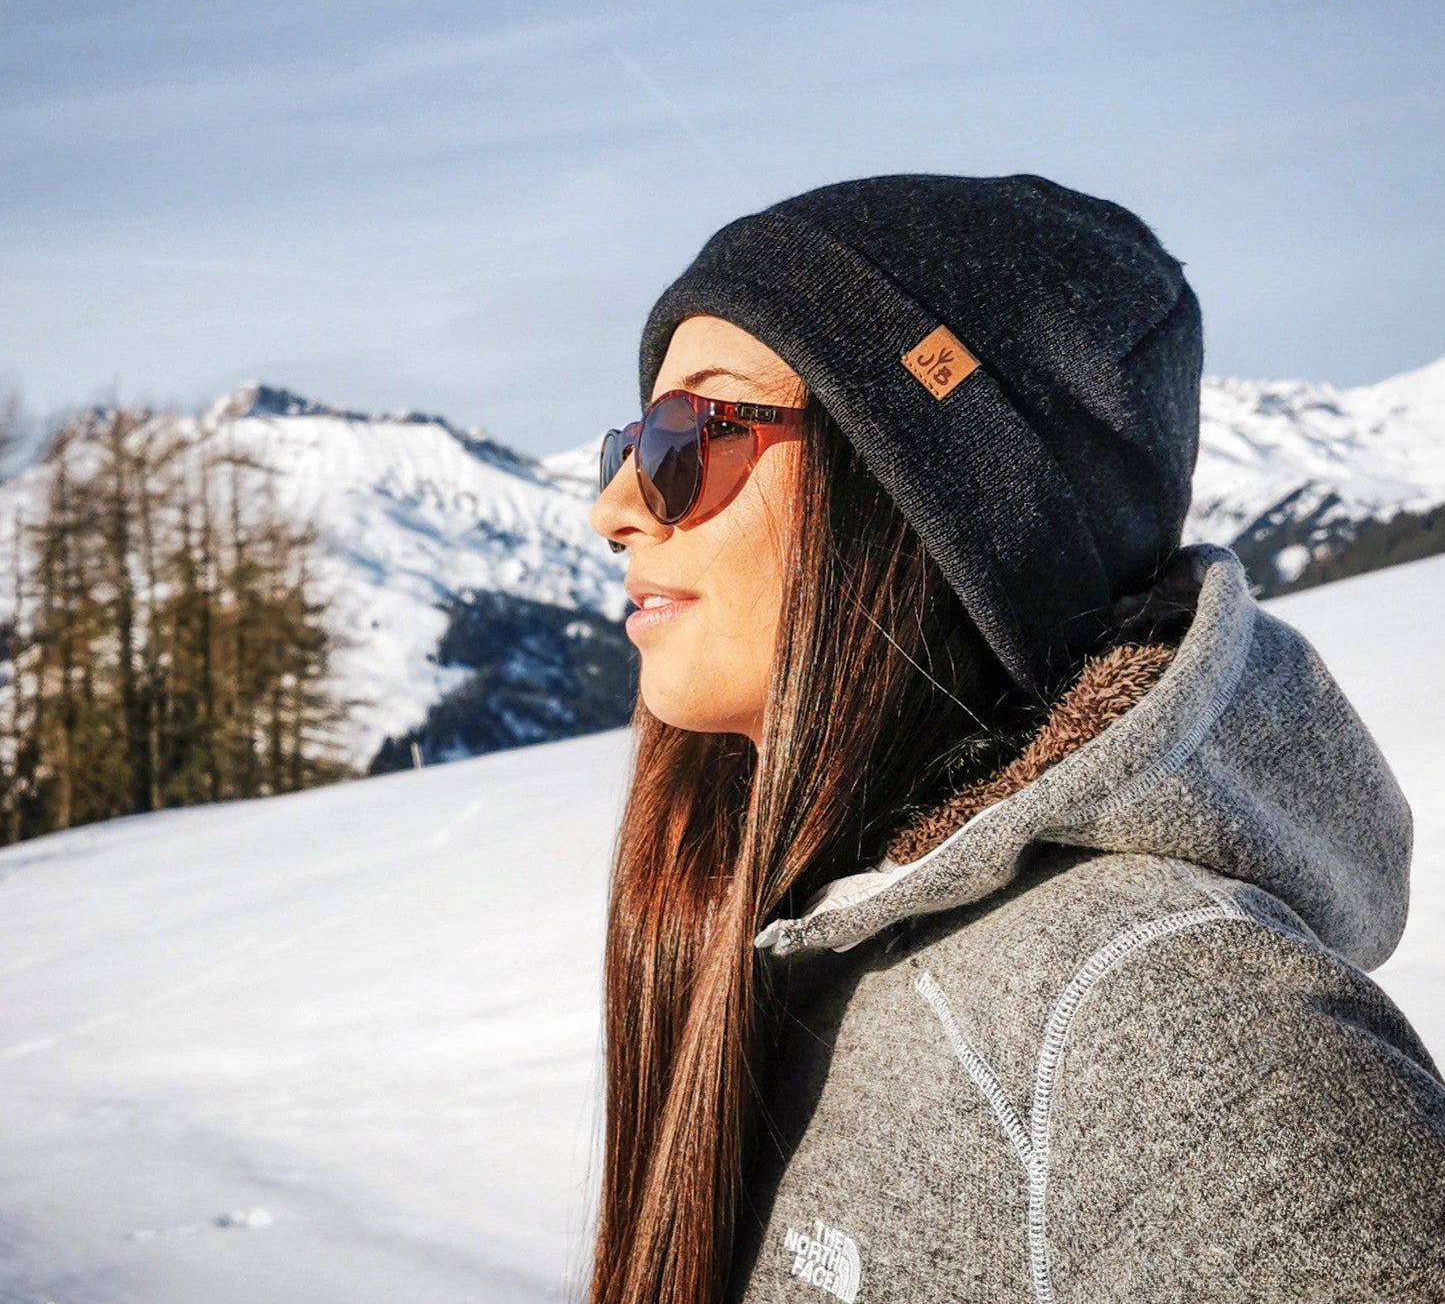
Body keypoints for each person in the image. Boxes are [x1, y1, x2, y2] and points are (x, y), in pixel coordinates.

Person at [586, 174, 1445, 1304]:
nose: (613, 506)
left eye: (681, 433)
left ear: (929, 496)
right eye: (625, 440)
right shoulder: (796, 931)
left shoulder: (1166, 1018)